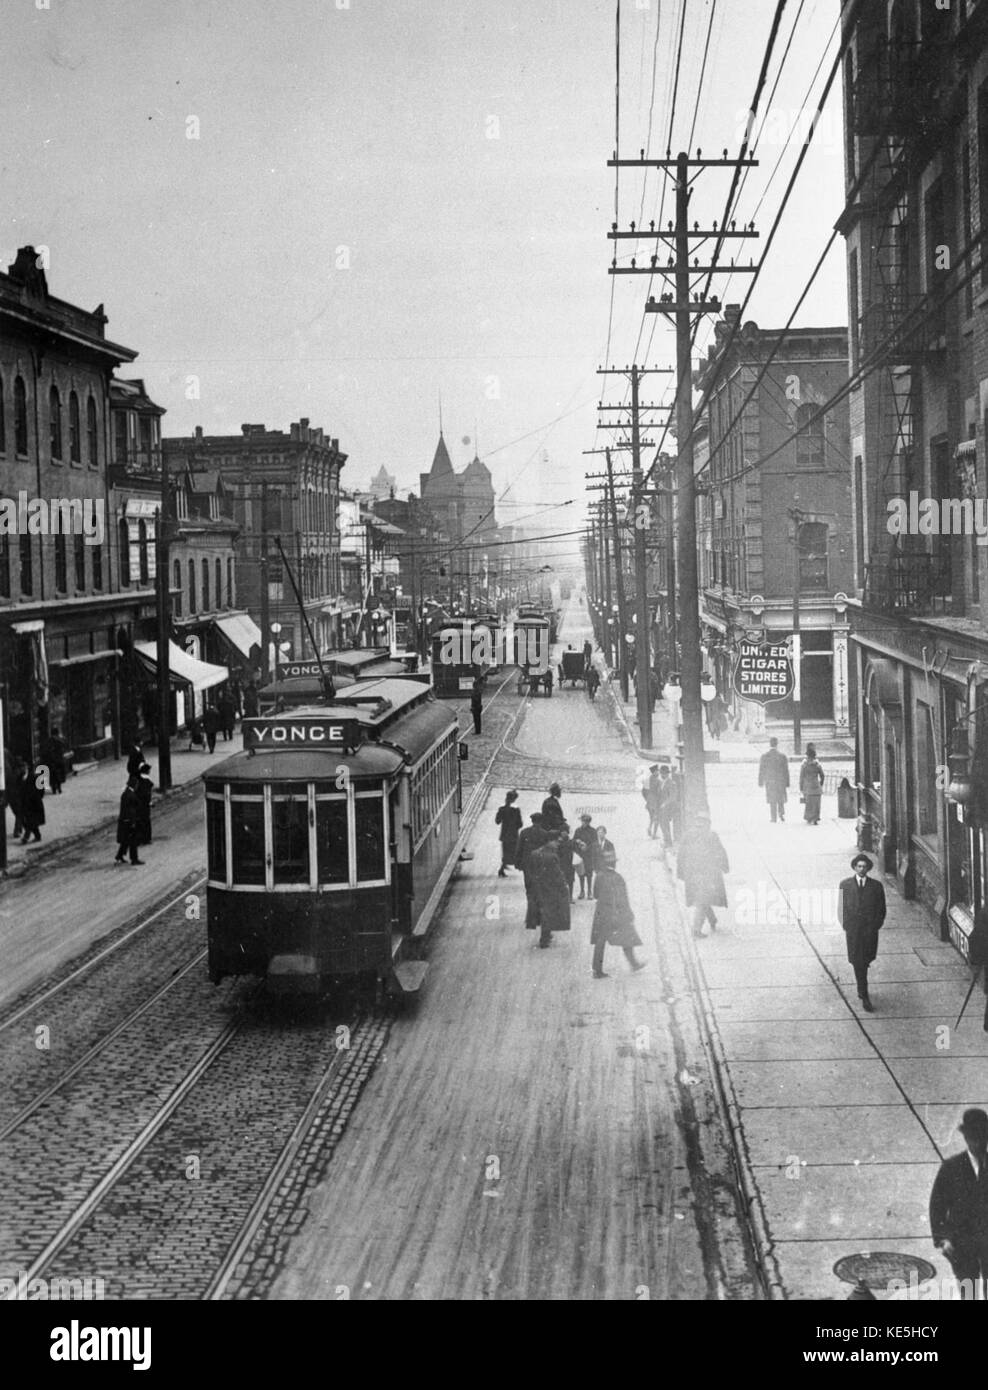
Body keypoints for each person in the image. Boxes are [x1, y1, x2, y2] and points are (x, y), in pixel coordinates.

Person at [929, 1108, 988, 1300]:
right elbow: (937, 1206)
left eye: (982, 1136)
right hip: (962, 1243)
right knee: (969, 1293)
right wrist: (943, 1239)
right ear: (966, 1137)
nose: (978, 1141)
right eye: (973, 1136)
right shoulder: (951, 1167)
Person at [837, 852, 886, 1012]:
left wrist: (875, 926)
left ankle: (862, 989)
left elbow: (881, 909)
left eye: (864, 866)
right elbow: (841, 908)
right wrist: (847, 926)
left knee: (866, 960)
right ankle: (864, 993)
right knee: (858, 962)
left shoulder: (876, 886)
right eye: (859, 866)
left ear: (868, 869)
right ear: (854, 867)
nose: (861, 869)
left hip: (869, 931)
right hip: (854, 931)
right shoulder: (845, 885)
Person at [591, 847, 646, 978]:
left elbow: (595, 894)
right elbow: (623, 899)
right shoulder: (618, 878)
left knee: (600, 941)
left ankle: (596, 970)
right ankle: (633, 963)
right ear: (614, 863)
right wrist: (628, 913)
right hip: (617, 913)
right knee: (627, 935)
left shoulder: (599, 876)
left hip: (602, 912)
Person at [677, 811, 729, 938]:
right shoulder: (710, 836)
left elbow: (681, 855)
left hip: (696, 874)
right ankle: (696, 930)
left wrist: (681, 872)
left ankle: (712, 919)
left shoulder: (689, 836)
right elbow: (720, 852)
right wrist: (724, 867)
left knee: (702, 898)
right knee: (702, 899)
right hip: (705, 874)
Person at [528, 834, 571, 948]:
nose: (557, 844)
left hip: (537, 888)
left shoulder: (535, 853)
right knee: (548, 912)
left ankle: (546, 935)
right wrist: (564, 886)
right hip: (550, 888)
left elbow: (530, 872)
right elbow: (557, 874)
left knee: (543, 912)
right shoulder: (552, 856)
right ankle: (544, 939)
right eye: (556, 842)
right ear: (549, 841)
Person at [515, 812, 550, 932]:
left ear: (532, 821)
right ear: (541, 822)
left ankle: (530, 917)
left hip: (528, 866)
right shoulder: (545, 834)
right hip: (540, 866)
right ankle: (539, 917)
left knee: (529, 890)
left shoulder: (524, 832)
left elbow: (519, 849)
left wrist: (518, 864)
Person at [758, 737, 790, 824]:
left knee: (772, 799)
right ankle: (781, 813)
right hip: (780, 781)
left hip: (770, 781)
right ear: (777, 744)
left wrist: (761, 781)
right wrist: (787, 782)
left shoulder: (764, 756)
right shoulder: (782, 756)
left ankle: (773, 817)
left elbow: (761, 770)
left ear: (770, 744)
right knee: (780, 797)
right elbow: (786, 770)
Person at [114, 778, 144, 865]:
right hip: (129, 821)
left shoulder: (125, 794)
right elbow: (132, 809)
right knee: (133, 840)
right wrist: (133, 822)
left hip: (124, 820)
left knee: (125, 840)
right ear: (134, 785)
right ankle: (134, 859)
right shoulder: (131, 795)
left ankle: (119, 856)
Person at [495, 789, 522, 877]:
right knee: (514, 851)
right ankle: (503, 867)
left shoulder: (502, 808)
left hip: (504, 834)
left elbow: (497, 821)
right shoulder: (516, 809)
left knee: (506, 851)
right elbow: (520, 823)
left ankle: (503, 867)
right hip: (513, 834)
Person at [573, 813, 597, 899]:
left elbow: (595, 843)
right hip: (580, 856)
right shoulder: (578, 831)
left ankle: (589, 892)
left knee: (589, 874)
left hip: (589, 856)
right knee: (581, 874)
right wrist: (578, 842)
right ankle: (582, 891)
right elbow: (573, 841)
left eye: (585, 821)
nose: (583, 823)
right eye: (582, 821)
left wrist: (587, 847)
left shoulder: (593, 831)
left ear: (588, 822)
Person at [19, 764, 45, 843]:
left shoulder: (34, 776)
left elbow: (41, 788)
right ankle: (38, 836)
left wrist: (37, 797)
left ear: (27, 768)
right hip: (25, 803)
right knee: (29, 820)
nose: (22, 769)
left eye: (24, 767)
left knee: (31, 820)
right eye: (21, 768)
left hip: (34, 803)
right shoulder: (20, 777)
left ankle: (26, 837)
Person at [800, 743, 824, 824]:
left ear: (807, 756)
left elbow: (801, 777)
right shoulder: (817, 765)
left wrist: (801, 787)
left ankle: (809, 818)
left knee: (809, 804)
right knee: (816, 804)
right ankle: (816, 818)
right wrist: (820, 784)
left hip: (808, 787)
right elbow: (822, 776)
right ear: (814, 756)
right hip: (816, 787)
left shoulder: (804, 765)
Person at [657, 765, 681, 848]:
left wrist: (664, 804)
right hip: (662, 808)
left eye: (663, 773)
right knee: (663, 825)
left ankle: (668, 843)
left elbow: (673, 796)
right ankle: (667, 841)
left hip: (669, 808)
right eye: (661, 773)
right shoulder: (661, 782)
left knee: (665, 825)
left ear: (667, 774)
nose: (662, 775)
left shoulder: (671, 783)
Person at [41, 727, 67, 794]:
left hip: (51, 761)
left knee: (52, 775)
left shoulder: (49, 741)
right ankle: (59, 788)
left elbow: (46, 750)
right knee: (59, 774)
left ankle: (54, 789)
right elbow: (64, 747)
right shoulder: (60, 740)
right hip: (58, 760)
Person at [135, 762, 154, 846]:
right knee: (146, 821)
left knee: (138, 821)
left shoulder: (137, 780)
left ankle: (138, 839)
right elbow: (147, 794)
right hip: (145, 804)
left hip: (137, 804)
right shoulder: (147, 781)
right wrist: (150, 802)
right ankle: (146, 838)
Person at [644, 764, 662, 839]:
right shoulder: (658, 781)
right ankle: (654, 834)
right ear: (654, 772)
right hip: (655, 801)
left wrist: (647, 799)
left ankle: (649, 828)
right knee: (657, 818)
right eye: (657, 771)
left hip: (649, 801)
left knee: (651, 817)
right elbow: (659, 792)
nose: (658, 772)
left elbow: (644, 791)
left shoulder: (648, 779)